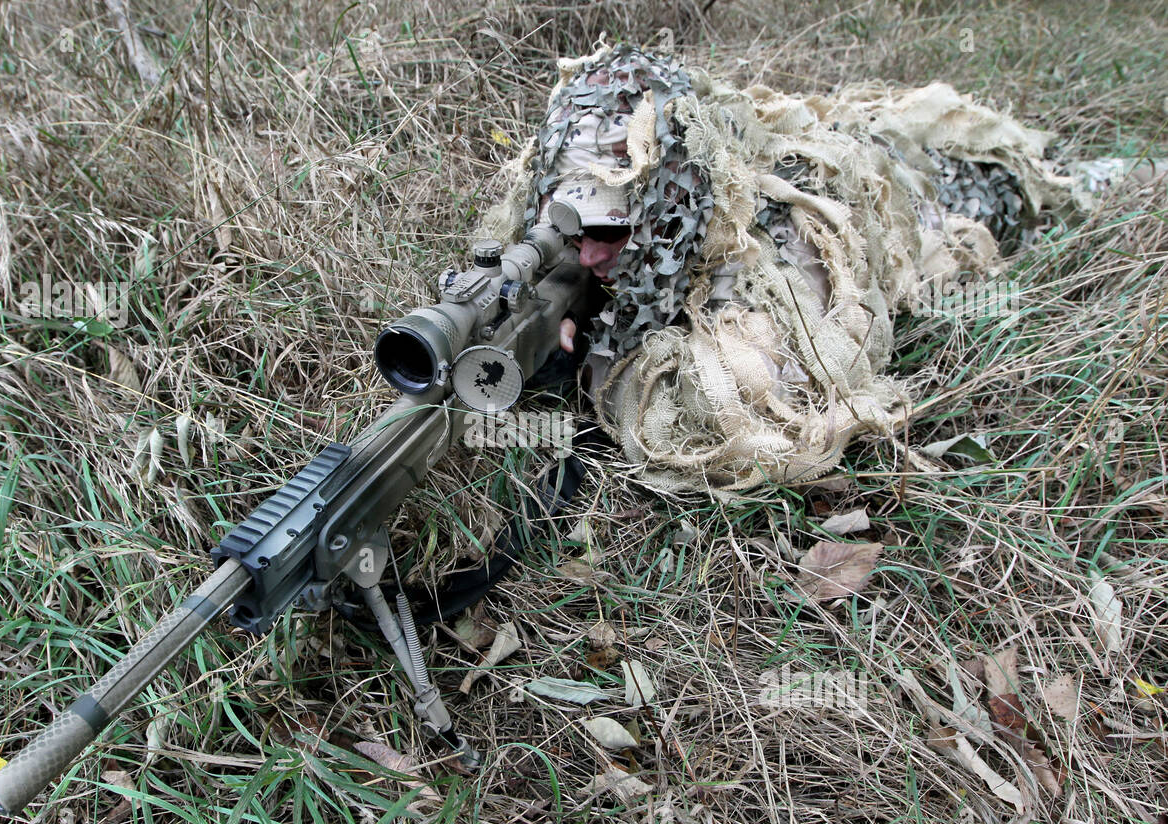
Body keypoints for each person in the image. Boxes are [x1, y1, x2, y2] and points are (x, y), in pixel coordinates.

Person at [481, 44, 1164, 495]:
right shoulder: (578, 181)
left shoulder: (774, 247)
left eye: (612, 230)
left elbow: (753, 421)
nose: (590, 253)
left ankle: (1130, 169)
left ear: (673, 204)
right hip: (847, 142)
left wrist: (603, 353)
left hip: (926, 194)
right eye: (572, 228)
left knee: (1042, 184)